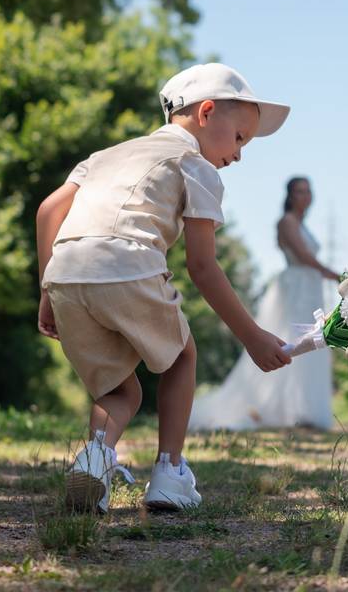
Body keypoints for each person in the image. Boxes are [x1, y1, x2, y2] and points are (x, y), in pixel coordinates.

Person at [35, 63, 292, 513]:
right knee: (181, 357)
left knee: (119, 390)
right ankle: (170, 473)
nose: (239, 154)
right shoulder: (196, 166)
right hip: (128, 261)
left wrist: (46, 288)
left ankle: (95, 458)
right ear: (207, 112)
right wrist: (253, 337)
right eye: (239, 138)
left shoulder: (105, 155)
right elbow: (202, 266)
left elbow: (47, 210)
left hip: (66, 271)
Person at [188, 177, 339, 430]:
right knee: (295, 338)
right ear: (290, 196)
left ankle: (303, 408)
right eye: (300, 191)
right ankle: (278, 407)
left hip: (310, 287)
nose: (305, 196)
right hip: (296, 286)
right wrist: (337, 276)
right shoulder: (287, 223)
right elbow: (303, 256)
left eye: (308, 191)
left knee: (313, 341)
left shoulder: (302, 224)